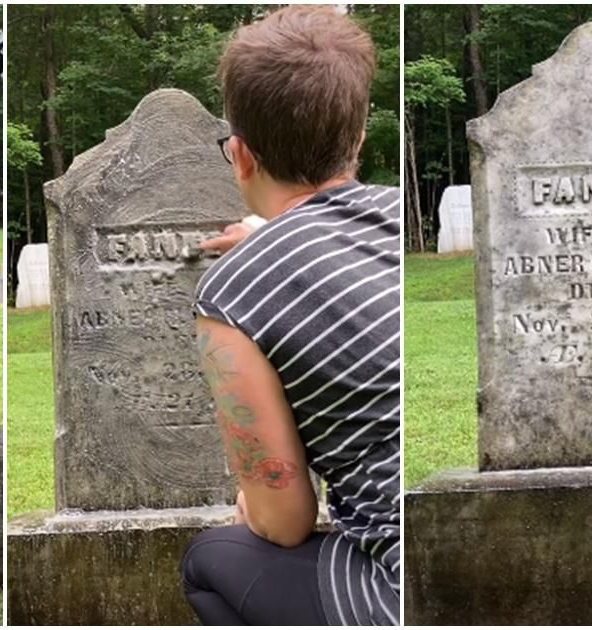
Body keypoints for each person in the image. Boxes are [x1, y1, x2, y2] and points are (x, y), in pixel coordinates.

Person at [179, 5, 401, 626]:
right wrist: (266, 237)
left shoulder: (230, 295)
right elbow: (322, 233)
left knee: (212, 559)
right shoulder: (395, 217)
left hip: (401, 592)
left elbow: (284, 522)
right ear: (356, 140)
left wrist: (257, 500)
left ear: (241, 156)